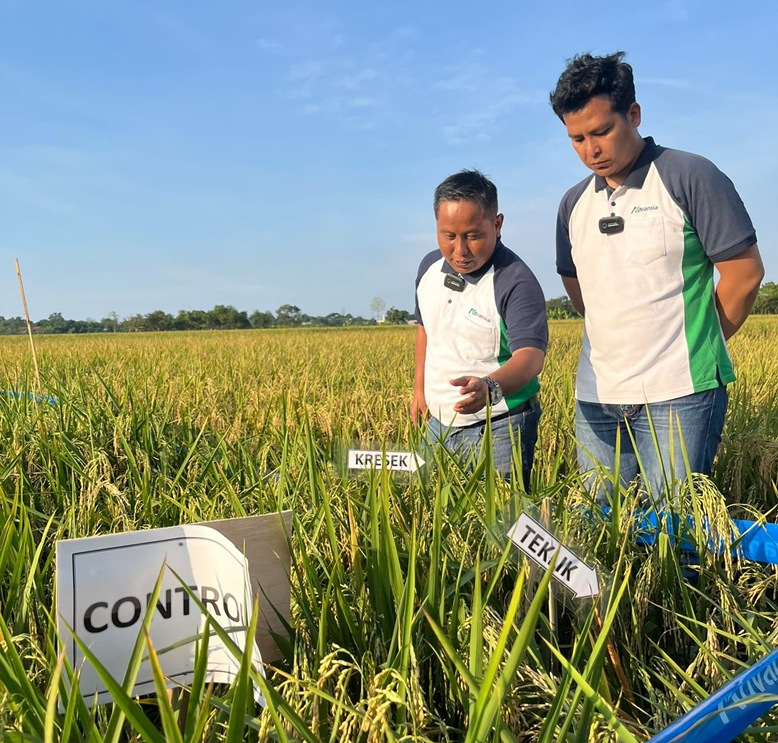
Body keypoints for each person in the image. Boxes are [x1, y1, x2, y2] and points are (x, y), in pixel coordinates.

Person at [550, 52, 764, 505]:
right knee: (602, 528)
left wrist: (697, 340)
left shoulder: (690, 176)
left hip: (680, 393)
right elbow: (578, 288)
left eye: (602, 131)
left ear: (633, 114)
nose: (591, 150)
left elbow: (744, 275)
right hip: (597, 395)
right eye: (577, 139)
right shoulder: (573, 204)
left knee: (676, 535)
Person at [412, 169, 548, 489]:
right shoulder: (428, 269)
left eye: (473, 236)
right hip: (439, 424)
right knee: (431, 512)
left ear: (497, 225)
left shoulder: (515, 281)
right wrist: (419, 391)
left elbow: (530, 357)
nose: (460, 250)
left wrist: (491, 387)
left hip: (500, 426)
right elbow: (425, 331)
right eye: (449, 236)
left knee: (499, 521)